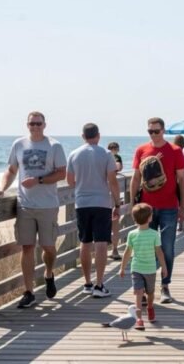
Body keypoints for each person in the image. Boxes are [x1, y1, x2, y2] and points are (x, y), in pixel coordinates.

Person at [0, 111, 67, 309]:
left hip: (48, 205)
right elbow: (12, 170)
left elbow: (62, 173)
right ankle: (29, 291)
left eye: (38, 124)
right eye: (32, 124)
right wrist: (1, 189)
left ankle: (48, 273)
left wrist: (38, 180)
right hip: (25, 205)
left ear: (45, 125)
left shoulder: (54, 145)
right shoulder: (19, 144)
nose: (35, 127)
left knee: (48, 247)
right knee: (27, 247)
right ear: (27, 125)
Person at [129, 117, 184, 303]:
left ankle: (165, 286)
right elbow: (135, 178)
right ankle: (147, 289)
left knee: (168, 249)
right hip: (147, 208)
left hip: (170, 206)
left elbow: (182, 180)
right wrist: (133, 204)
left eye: (156, 131)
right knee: (145, 248)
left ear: (163, 130)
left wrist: (183, 207)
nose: (153, 134)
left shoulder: (175, 151)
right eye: (150, 131)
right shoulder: (141, 150)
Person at [66, 123, 120, 298]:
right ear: (98, 135)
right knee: (101, 243)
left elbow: (70, 181)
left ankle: (87, 283)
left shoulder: (74, 154)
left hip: (82, 203)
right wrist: (117, 203)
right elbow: (112, 180)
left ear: (83, 136)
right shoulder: (106, 154)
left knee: (85, 242)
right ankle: (99, 284)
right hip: (102, 202)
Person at [119, 203, 168, 330]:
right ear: (150, 218)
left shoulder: (153, 234)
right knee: (139, 292)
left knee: (150, 293)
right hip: (136, 268)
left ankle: (150, 307)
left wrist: (163, 267)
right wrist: (123, 267)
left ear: (134, 219)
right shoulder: (132, 234)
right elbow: (128, 251)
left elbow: (159, 252)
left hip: (150, 269)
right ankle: (139, 318)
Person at [107, 141, 124, 260]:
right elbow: (118, 166)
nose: (114, 150)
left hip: (101, 193)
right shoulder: (116, 157)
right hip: (113, 192)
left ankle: (104, 250)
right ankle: (114, 249)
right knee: (115, 222)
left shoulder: (104, 157)